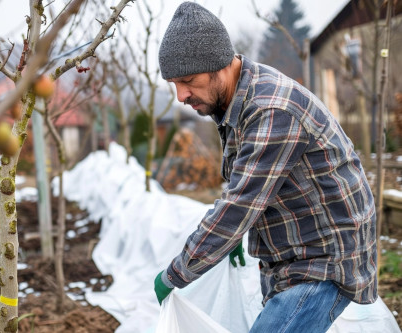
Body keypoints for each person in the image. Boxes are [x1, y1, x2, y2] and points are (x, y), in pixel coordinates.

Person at [153, 2, 378, 332]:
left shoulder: (272, 109)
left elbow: (239, 205)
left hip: (325, 261)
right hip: (292, 256)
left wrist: (175, 273)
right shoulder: (237, 103)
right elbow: (244, 191)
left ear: (221, 65)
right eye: (174, 83)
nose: (181, 95)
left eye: (188, 80)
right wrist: (233, 239)